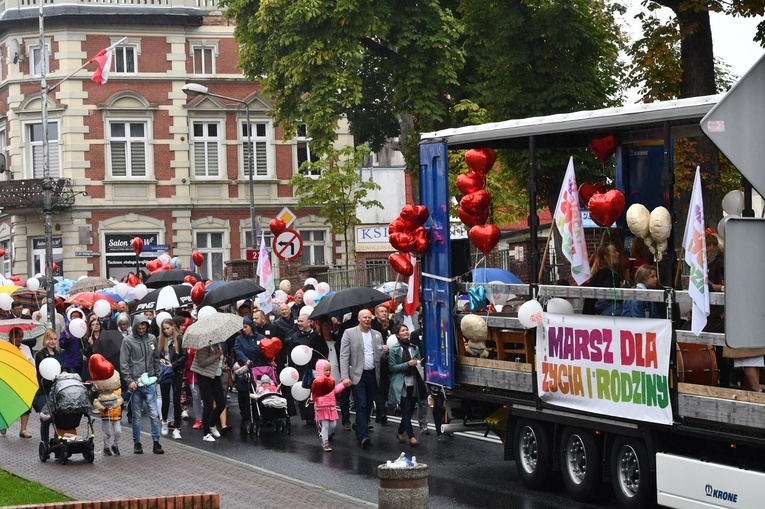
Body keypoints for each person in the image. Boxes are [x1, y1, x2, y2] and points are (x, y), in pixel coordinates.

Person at [340, 309, 387, 449]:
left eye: (369, 317)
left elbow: (380, 357)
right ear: (359, 319)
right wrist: (345, 377)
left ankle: (360, 426)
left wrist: (385, 351)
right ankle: (363, 436)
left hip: (373, 375)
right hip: (358, 375)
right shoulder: (349, 333)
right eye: (364, 317)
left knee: (368, 405)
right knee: (360, 404)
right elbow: (344, 356)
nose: (367, 320)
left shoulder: (377, 335)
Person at [119, 315, 164, 455]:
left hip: (150, 381)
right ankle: (137, 443)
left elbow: (156, 358)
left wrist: (156, 375)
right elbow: (124, 362)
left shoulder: (151, 339)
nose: (141, 330)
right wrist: (129, 380)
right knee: (136, 415)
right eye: (139, 328)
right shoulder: (127, 341)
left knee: (154, 414)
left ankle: (156, 442)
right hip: (136, 383)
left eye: (144, 327)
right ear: (135, 327)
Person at [388, 324, 424, 447]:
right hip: (401, 383)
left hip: (413, 381)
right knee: (405, 410)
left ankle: (399, 432)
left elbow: (419, 361)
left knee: (409, 410)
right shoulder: (394, 349)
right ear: (397, 334)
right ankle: (412, 436)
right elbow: (392, 368)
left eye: (406, 330)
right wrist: (407, 364)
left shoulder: (414, 347)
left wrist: (418, 363)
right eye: (402, 331)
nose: (406, 332)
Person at [233, 316, 268, 434]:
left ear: (251, 327)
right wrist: (245, 359)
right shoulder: (239, 339)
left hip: (258, 369)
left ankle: (260, 415)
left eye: (246, 327)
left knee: (259, 392)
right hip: (246, 369)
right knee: (244, 393)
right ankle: (246, 417)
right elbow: (238, 350)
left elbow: (265, 350)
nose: (244, 330)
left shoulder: (260, 337)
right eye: (242, 328)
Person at [288, 312, 322, 424]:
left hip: (316, 368)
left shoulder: (317, 335)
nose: (299, 323)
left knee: (317, 392)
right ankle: (308, 417)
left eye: (302, 321)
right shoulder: (295, 337)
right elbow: (291, 355)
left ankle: (319, 414)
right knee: (304, 391)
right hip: (301, 369)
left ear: (309, 322)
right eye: (298, 321)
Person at [191, 341, 227, 442]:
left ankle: (211, 424)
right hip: (204, 376)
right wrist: (217, 355)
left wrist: (221, 364)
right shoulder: (203, 345)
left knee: (221, 403)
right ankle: (206, 433)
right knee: (208, 403)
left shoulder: (217, 344)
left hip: (215, 375)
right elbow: (202, 362)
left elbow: (216, 361)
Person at [158, 319, 187, 440]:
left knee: (176, 400)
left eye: (168, 328)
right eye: (164, 329)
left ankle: (176, 427)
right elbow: (157, 355)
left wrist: (174, 365)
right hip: (165, 371)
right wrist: (162, 362)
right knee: (165, 398)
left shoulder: (179, 339)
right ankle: (164, 422)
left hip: (176, 371)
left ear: (173, 327)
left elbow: (184, 355)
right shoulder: (160, 340)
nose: (166, 331)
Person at [33, 329, 62, 443]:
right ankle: (45, 443)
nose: (53, 342)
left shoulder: (57, 353)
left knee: (58, 417)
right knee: (45, 418)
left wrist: (64, 371)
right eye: (51, 339)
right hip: (44, 389)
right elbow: (44, 370)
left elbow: (61, 366)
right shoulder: (40, 354)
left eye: (55, 339)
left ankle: (56, 441)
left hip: (56, 389)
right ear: (46, 340)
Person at [583, 244, 626, 316]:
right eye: (614, 252)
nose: (618, 253)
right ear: (606, 257)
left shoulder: (596, 274)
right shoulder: (610, 276)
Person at [312, 359, 345, 452]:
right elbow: (313, 393)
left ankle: (328, 434)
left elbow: (335, 390)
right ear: (320, 370)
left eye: (329, 370)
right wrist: (314, 398)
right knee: (325, 426)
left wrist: (343, 385)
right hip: (321, 407)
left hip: (331, 406)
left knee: (333, 424)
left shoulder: (332, 380)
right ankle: (325, 443)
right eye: (326, 370)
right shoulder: (317, 382)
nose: (328, 372)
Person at [8, 326, 34, 437]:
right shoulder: (5, 347)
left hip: (23, 380)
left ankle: (23, 429)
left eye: (20, 337)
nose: (18, 339)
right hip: (9, 381)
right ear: (10, 337)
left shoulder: (26, 348)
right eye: (16, 337)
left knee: (26, 405)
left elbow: (32, 363)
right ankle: (3, 425)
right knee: (7, 404)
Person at [372, 304, 395, 425]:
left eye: (386, 311)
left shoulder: (390, 324)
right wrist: (381, 347)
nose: (384, 313)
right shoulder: (372, 325)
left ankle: (385, 408)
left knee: (386, 385)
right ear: (376, 314)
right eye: (381, 311)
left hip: (388, 359)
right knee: (379, 386)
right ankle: (381, 412)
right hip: (378, 359)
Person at [58, 307, 85, 375]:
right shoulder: (67, 330)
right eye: (73, 316)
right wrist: (66, 339)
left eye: (77, 316)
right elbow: (61, 344)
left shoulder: (84, 329)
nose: (75, 318)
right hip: (71, 361)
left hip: (83, 361)